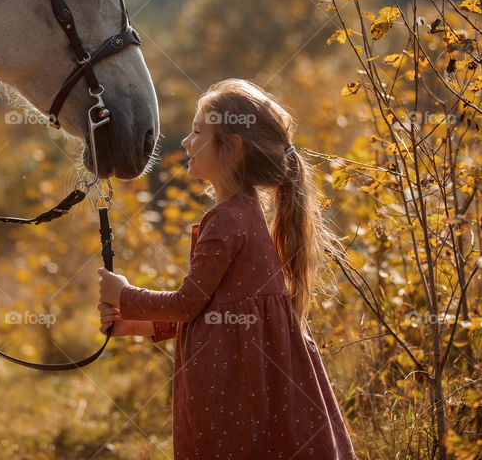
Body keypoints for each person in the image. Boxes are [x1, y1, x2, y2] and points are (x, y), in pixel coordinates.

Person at [97, 78, 358, 459]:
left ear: (232, 148)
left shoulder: (225, 220)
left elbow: (188, 304)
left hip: (231, 391)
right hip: (251, 385)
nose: (185, 142)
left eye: (198, 132)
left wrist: (123, 293)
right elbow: (213, 311)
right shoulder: (247, 213)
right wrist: (131, 322)